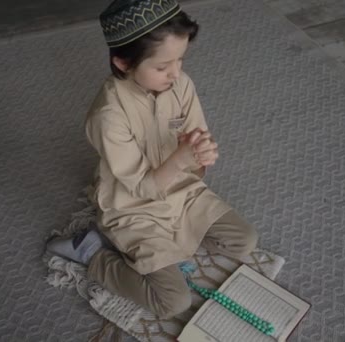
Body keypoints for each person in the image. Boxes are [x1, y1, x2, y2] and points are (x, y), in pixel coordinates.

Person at [47, 0, 258, 319]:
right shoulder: (108, 116)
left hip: (182, 192)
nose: (175, 74)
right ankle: (91, 252)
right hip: (133, 209)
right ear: (122, 63)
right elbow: (143, 188)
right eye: (162, 67)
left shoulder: (182, 84)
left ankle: (171, 245)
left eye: (180, 60)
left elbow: (196, 141)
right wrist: (181, 156)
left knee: (244, 242)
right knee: (172, 302)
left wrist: (203, 152)